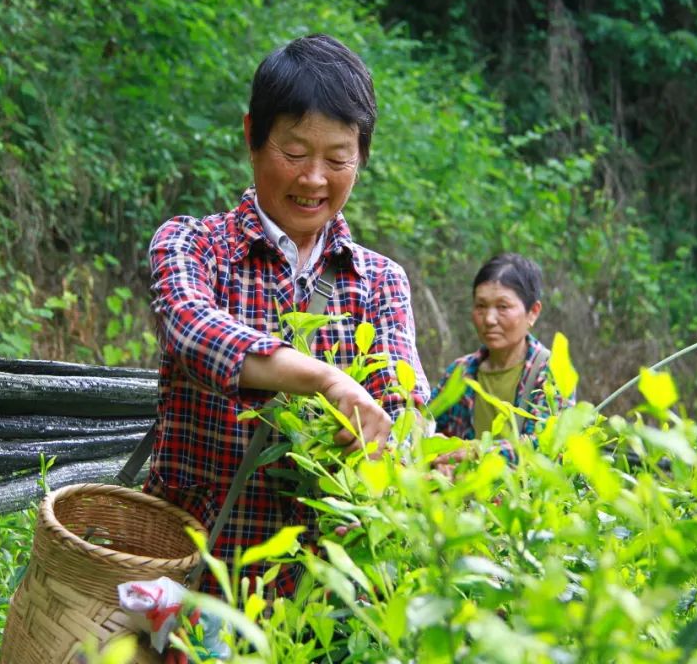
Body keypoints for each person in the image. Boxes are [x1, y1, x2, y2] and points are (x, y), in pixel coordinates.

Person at [143, 33, 429, 597]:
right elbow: (191, 328)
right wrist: (324, 379)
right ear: (253, 135)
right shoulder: (193, 246)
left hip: (318, 608)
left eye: (338, 158)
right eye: (294, 153)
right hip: (189, 586)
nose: (314, 178)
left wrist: (398, 443)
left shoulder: (379, 283)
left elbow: (402, 405)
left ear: (362, 156)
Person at [429, 253, 573, 464]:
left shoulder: (550, 372)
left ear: (533, 312)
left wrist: (476, 452)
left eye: (503, 307)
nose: (489, 319)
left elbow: (548, 445)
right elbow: (426, 424)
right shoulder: (460, 373)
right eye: (481, 306)